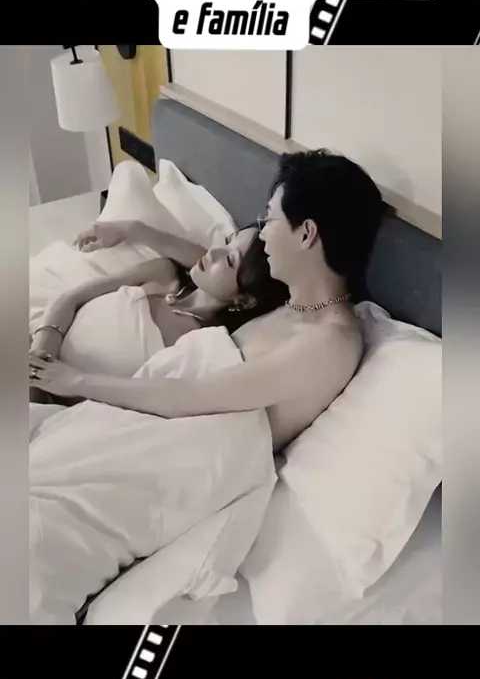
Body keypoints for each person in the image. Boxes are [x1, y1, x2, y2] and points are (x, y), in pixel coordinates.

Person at [30, 149, 386, 453]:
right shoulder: (295, 306)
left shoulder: (327, 340)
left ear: (306, 233)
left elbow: (192, 396)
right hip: (134, 413)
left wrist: (76, 382)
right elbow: (215, 266)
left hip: (167, 442)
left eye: (269, 219)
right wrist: (133, 230)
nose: (263, 232)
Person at [29, 223, 289, 402]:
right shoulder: (161, 274)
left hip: (57, 409)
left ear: (245, 301)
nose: (214, 251)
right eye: (228, 240)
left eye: (230, 259)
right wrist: (40, 356)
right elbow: (71, 298)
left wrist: (47, 380)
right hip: (34, 352)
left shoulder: (199, 347)